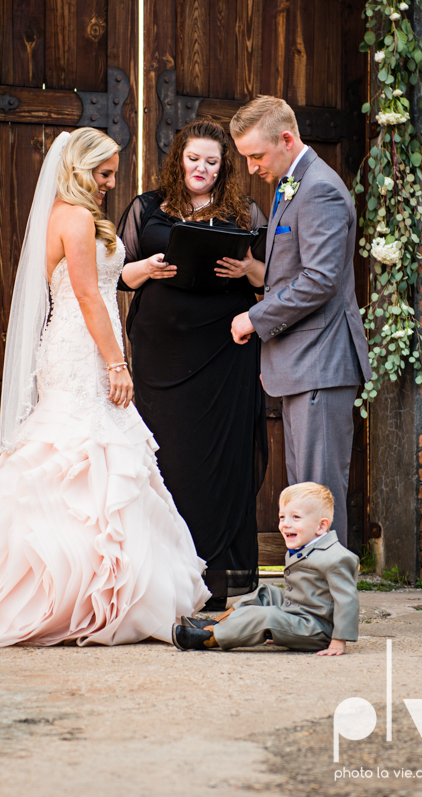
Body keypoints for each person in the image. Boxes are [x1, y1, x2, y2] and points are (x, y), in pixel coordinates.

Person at [0, 128, 209, 648]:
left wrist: (136, 270)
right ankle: (75, 594)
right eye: (102, 174)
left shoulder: (63, 215)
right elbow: (85, 295)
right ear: (78, 169)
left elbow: (98, 280)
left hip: (76, 345)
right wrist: (116, 364)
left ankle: (91, 590)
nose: (109, 183)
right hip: (82, 350)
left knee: (95, 460)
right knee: (81, 458)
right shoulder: (76, 218)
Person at [117, 119, 268, 610]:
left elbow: (275, 277)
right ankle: (164, 583)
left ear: (224, 167)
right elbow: (119, 276)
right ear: (178, 157)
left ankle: (219, 580)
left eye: (211, 161)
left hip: (226, 350)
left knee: (218, 461)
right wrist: (146, 268)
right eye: (193, 158)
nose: (201, 168)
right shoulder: (146, 207)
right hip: (163, 353)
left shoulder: (244, 211)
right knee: (170, 459)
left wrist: (248, 269)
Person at [228, 97, 372, 547]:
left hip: (321, 363)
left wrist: (255, 317)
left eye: (257, 156)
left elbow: (320, 279)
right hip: (301, 363)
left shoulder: (321, 188)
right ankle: (311, 601)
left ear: (287, 140)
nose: (251, 168)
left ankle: (327, 608)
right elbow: (293, 271)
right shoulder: (293, 182)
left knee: (317, 495)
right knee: (306, 495)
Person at [173, 482, 359, 654]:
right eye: (282, 517)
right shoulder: (303, 546)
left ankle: (209, 638)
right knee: (266, 593)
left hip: (315, 629)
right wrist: (283, 629)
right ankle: (216, 624)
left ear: (321, 526)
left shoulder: (337, 558)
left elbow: (347, 601)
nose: (286, 523)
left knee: (267, 616)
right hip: (297, 612)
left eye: (296, 517)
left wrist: (338, 640)